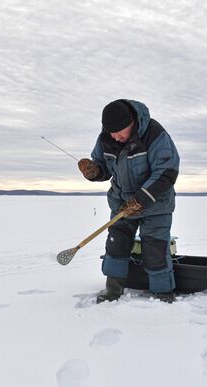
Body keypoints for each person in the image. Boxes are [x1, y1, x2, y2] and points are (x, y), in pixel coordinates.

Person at [78, 99, 180, 303]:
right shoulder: (106, 138)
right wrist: (94, 171)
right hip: (121, 203)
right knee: (116, 245)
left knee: (155, 249)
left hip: (155, 204)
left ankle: (163, 293)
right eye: (111, 133)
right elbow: (104, 168)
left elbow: (167, 171)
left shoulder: (154, 134)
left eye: (119, 132)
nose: (116, 137)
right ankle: (113, 291)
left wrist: (141, 199)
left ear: (132, 121)